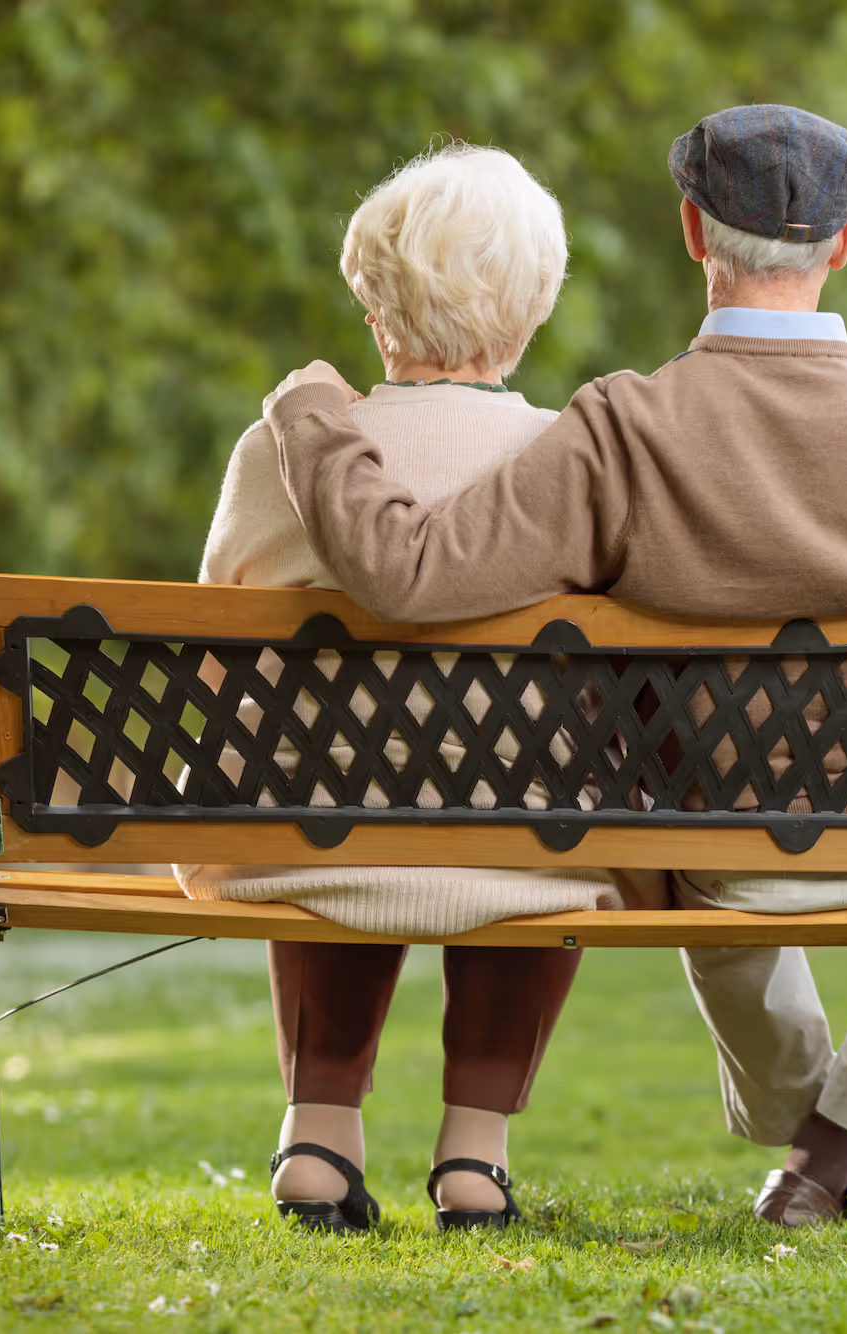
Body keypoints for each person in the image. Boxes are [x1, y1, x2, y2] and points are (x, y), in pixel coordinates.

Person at [259, 104, 847, 1227]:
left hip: (720, 862)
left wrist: (318, 419)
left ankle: (827, 1157)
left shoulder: (620, 427)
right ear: (845, 241)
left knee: (707, 847)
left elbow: (413, 574)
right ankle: (838, 1155)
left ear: (690, 231)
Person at [177, 143, 660, 1235]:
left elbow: (212, 646)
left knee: (323, 779)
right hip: (521, 848)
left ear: (373, 298)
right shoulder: (568, 455)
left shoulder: (284, 449)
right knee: (528, 797)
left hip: (307, 837)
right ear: (533, 305)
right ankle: (474, 1157)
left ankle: (317, 1134)